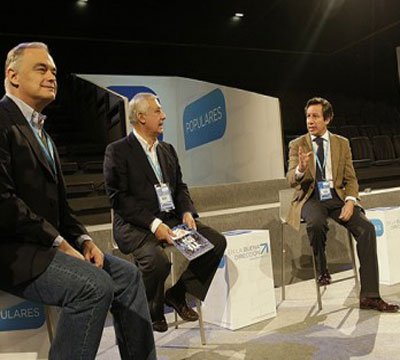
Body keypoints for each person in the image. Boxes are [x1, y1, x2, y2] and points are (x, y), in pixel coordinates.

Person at [0, 42, 156, 359]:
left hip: (45, 248)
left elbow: (61, 208)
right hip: (12, 252)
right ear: (13, 76)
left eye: (54, 71)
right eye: (41, 69)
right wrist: (58, 242)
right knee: (93, 287)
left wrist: (83, 239)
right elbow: (3, 203)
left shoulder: (43, 133)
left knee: (128, 277)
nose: (51, 77)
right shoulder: (2, 121)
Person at [103, 92, 226, 332]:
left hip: (171, 220)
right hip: (136, 225)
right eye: (157, 111)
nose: (164, 116)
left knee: (216, 242)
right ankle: (152, 310)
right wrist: (153, 224)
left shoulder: (167, 150)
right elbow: (119, 199)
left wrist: (187, 212)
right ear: (140, 117)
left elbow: (179, 187)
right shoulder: (117, 151)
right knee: (157, 262)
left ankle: (177, 294)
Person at [286, 96, 399, 312]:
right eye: (308, 116)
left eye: (315, 116)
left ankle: (370, 296)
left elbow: (351, 179)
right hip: (311, 198)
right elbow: (291, 179)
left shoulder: (341, 143)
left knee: (367, 228)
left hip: (337, 197)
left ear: (327, 119)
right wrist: (300, 168)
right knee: (316, 224)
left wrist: (350, 200)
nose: (310, 121)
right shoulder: (297, 144)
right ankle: (321, 267)